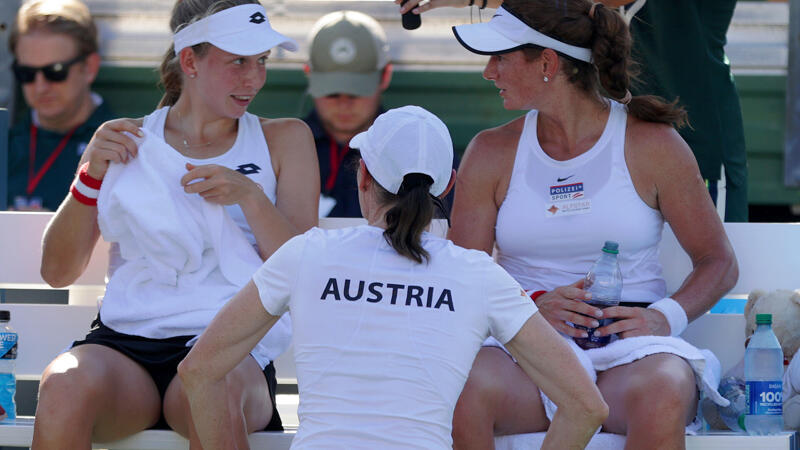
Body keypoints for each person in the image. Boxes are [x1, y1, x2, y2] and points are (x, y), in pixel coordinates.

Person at [400, 0, 739, 448]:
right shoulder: (490, 151)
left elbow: (718, 262)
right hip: (523, 346)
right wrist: (532, 305)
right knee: (460, 388)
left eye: (500, 57)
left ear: (547, 62)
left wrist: (662, 318)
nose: (488, 72)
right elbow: (466, 274)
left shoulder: (652, 142)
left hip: (631, 351)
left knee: (663, 391)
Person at [178, 105, 608, 449]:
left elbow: (199, 371)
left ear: (363, 175)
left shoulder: (306, 254)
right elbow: (586, 406)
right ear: (446, 187)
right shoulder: (478, 276)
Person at [31, 1, 318, 448]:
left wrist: (248, 196)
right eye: (237, 61)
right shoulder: (122, 140)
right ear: (190, 62)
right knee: (62, 386)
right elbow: (57, 273)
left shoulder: (286, 138)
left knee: (213, 386)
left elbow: (305, 271)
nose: (254, 78)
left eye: (261, 61)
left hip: (229, 349)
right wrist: (89, 180)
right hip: (125, 349)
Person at [7, 0, 115, 211]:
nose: (40, 86)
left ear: (90, 67)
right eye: (26, 73)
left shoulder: (121, 146)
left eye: (55, 71)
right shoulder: (7, 145)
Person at [302, 10, 393, 218]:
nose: (344, 103)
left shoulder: (416, 151)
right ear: (308, 74)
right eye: (331, 92)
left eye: (357, 91)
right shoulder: (280, 148)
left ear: (385, 76)